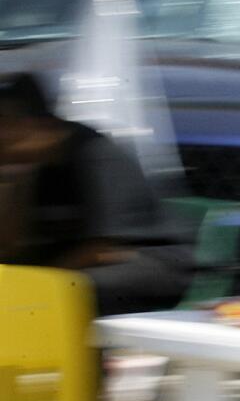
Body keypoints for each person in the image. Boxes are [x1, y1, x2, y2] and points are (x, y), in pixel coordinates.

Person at [0, 72, 191, 315]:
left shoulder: (95, 154)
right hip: (73, 268)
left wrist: (41, 283)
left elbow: (102, 248)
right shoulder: (32, 167)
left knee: (64, 293)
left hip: (143, 263)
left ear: (35, 124)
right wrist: (18, 178)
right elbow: (11, 247)